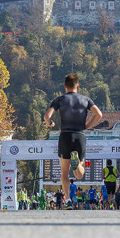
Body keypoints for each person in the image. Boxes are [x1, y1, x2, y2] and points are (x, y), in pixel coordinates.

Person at [44, 73, 102, 209]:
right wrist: (87, 125)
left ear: (65, 86)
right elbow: (99, 114)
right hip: (80, 135)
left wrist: (50, 122)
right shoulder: (86, 99)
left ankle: (68, 200)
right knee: (79, 174)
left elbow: (47, 116)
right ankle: (77, 165)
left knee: (64, 173)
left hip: (65, 135)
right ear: (78, 86)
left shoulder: (59, 99)